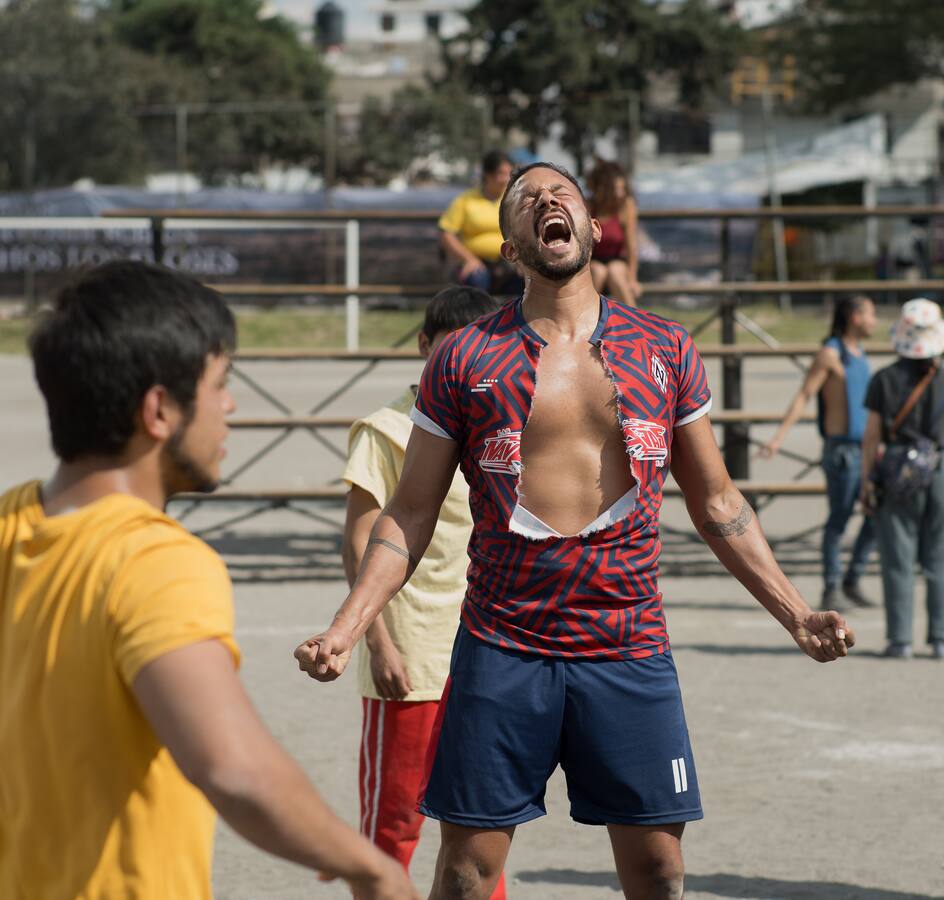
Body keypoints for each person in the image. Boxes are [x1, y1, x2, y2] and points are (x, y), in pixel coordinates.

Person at [296, 161, 855, 900]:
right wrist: (348, 626)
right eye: (526, 199)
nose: (547, 200)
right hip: (503, 647)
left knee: (659, 870)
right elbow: (408, 513)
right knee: (466, 873)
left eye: (563, 193)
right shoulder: (464, 358)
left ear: (594, 229)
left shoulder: (667, 349)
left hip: (628, 644)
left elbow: (718, 501)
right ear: (511, 249)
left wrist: (797, 612)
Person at [0, 261, 411, 899]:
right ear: (159, 410)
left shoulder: (10, 521)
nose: (230, 405)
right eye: (219, 384)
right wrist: (370, 865)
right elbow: (233, 765)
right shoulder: (154, 560)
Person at [342, 285, 505, 896]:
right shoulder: (386, 430)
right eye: (449, 349)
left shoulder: (501, 426)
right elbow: (359, 544)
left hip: (485, 656)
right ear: (423, 346)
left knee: (484, 829)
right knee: (394, 826)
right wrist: (378, 645)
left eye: (479, 350)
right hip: (409, 659)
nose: (463, 363)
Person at [860, 298, 944, 660]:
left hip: (896, 466)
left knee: (897, 557)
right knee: (941, 556)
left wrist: (866, 480)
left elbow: (872, 435)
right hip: (943, 465)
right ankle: (943, 637)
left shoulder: (884, 379)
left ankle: (900, 639)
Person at [759, 294, 879, 612]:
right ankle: (832, 588)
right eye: (870, 315)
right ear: (854, 317)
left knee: (875, 515)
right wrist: (778, 438)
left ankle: (852, 580)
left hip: (863, 450)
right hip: (841, 451)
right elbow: (804, 395)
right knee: (838, 521)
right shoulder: (830, 353)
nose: (875, 321)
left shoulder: (860, 352)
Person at [438, 150, 522, 295]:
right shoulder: (466, 200)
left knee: (525, 280)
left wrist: (523, 261)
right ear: (488, 175)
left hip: (509, 263)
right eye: (501, 174)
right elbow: (446, 233)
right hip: (477, 263)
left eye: (509, 174)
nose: (505, 179)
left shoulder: (514, 200)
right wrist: (468, 259)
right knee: (476, 280)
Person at [586, 158, 642, 307]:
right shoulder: (589, 206)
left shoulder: (626, 205)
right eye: (616, 189)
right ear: (603, 188)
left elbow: (631, 245)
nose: (620, 194)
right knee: (598, 271)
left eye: (622, 189)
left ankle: (634, 321)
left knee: (614, 271)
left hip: (617, 259)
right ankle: (590, 320)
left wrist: (632, 279)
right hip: (594, 260)